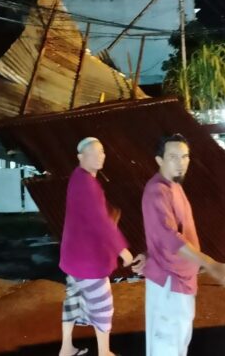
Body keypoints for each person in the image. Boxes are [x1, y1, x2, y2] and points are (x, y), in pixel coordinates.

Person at [138, 134, 225, 356]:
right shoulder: (157, 191)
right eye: (173, 157)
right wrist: (211, 264)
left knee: (178, 343)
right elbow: (170, 236)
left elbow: (163, 232)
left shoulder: (174, 185)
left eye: (185, 157)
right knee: (167, 347)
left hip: (181, 280)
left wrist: (149, 252)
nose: (181, 163)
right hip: (169, 283)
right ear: (159, 160)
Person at [58, 137, 141, 356]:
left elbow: (92, 216)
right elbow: (99, 220)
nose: (99, 156)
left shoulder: (79, 178)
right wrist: (122, 249)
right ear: (80, 157)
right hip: (88, 261)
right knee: (103, 306)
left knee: (73, 301)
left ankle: (66, 348)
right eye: (93, 152)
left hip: (73, 258)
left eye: (102, 151)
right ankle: (104, 353)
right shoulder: (87, 183)